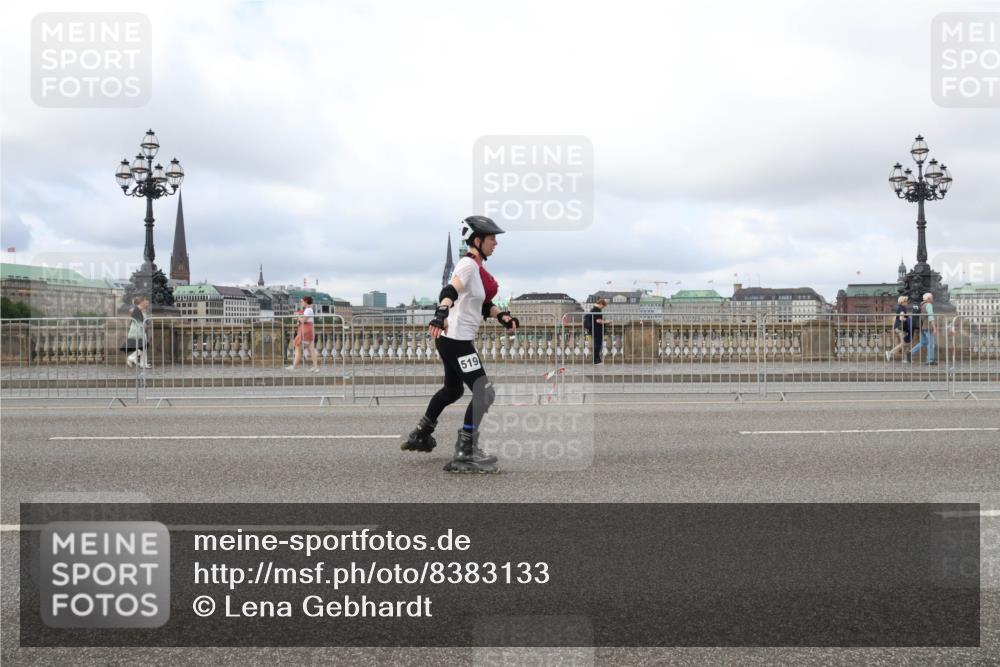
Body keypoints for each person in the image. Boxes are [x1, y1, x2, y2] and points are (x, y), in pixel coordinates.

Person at [401, 215, 519, 474]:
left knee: (452, 391)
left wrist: (502, 316)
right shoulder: (467, 265)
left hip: (452, 340)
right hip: (456, 341)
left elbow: (483, 304)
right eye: (492, 238)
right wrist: (441, 312)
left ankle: (422, 432)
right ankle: (466, 450)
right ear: (477, 240)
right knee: (484, 393)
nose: (496, 243)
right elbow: (450, 290)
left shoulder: (477, 270)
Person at [287, 296, 320, 372]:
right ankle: (315, 367)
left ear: (306, 301)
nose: (300, 303)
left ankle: (294, 366)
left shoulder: (308, 310)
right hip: (309, 330)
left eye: (302, 301)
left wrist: (297, 317)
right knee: (311, 350)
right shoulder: (309, 309)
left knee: (298, 349)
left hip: (305, 330)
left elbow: (303, 320)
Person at [121, 296, 151, 369]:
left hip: (142, 330)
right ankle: (131, 358)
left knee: (144, 347)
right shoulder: (137, 309)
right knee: (143, 347)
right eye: (147, 302)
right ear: (143, 301)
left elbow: (146, 320)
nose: (148, 303)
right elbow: (135, 312)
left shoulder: (141, 309)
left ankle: (143, 363)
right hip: (139, 330)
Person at [909, 292, 937, 365]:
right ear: (928, 299)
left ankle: (909, 353)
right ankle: (930, 360)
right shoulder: (929, 305)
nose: (933, 299)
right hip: (928, 327)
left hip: (921, 327)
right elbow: (931, 317)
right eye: (932, 298)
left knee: (923, 342)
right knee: (931, 343)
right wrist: (934, 327)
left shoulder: (921, 305)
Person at [885, 295, 910, 363]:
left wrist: (893, 328)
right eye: (906, 301)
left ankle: (905, 359)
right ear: (903, 302)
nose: (907, 302)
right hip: (901, 327)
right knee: (903, 343)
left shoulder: (899, 308)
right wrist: (908, 319)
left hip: (898, 327)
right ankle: (890, 352)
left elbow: (895, 318)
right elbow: (901, 318)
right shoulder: (902, 309)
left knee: (904, 343)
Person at [584, 298, 607, 365]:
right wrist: (606, 322)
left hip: (594, 329)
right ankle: (596, 361)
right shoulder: (597, 310)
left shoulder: (593, 309)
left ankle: (597, 360)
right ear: (600, 304)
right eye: (603, 306)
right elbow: (598, 321)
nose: (603, 307)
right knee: (598, 345)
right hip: (597, 330)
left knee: (597, 345)